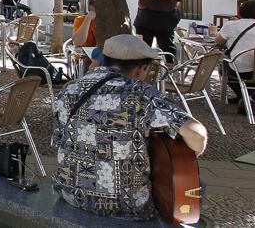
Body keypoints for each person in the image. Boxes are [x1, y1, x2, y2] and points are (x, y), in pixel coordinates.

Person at [53, 34, 207, 220]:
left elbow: (59, 139)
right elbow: (196, 134)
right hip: (126, 205)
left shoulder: (71, 89)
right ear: (142, 69)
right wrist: (187, 156)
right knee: (193, 183)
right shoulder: (140, 94)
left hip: (71, 194)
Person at [215, 0, 255, 112]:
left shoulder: (231, 25)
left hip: (240, 70)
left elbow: (218, 42)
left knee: (223, 66)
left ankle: (246, 97)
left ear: (241, 11)